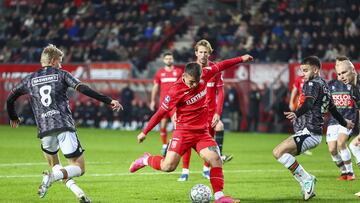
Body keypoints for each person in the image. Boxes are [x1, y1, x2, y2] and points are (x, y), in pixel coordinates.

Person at [129, 54, 254, 203]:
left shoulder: (205, 74)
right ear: (184, 76)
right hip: (183, 133)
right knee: (168, 166)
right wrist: (145, 132)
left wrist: (241, 59)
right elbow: (160, 113)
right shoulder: (175, 91)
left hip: (202, 133)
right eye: (191, 82)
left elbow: (222, 65)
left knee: (216, 159)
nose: (194, 85)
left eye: (196, 82)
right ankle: (146, 159)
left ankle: (220, 197)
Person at [6, 44, 122, 203]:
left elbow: (10, 98)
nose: (61, 65)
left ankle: (79, 194)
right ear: (53, 61)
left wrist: (13, 117)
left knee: (56, 165)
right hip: (63, 125)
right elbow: (83, 89)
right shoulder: (61, 74)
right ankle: (53, 177)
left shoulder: (29, 79)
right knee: (79, 168)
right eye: (60, 61)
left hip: (44, 130)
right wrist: (108, 100)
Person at [272, 56, 354, 201]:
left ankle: (307, 179)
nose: (302, 74)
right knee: (283, 154)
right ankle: (306, 181)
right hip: (313, 134)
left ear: (315, 70)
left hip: (309, 132)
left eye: (305, 70)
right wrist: (345, 123)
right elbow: (333, 110)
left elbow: (309, 104)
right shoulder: (324, 85)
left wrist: (296, 113)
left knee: (278, 152)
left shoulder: (311, 84)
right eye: (301, 70)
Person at [178, 39, 233, 182]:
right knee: (188, 141)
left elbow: (220, 93)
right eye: (200, 52)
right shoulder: (191, 70)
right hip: (194, 113)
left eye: (206, 52)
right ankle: (185, 171)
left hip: (210, 113)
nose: (203, 55)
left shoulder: (215, 70)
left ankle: (206, 169)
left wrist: (217, 113)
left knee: (210, 141)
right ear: (196, 53)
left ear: (210, 54)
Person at [334, 57, 360, 197]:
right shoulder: (353, 90)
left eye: (344, 72)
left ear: (353, 70)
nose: (341, 77)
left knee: (355, 146)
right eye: (339, 74)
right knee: (355, 146)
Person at [150, 52, 183, 156]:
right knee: (163, 125)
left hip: (175, 103)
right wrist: (152, 101)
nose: (169, 60)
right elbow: (155, 87)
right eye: (167, 59)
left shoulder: (178, 72)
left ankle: (173, 143)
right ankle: (164, 145)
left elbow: (183, 86)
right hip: (163, 104)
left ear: (173, 59)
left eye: (170, 58)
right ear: (164, 60)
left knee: (176, 124)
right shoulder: (160, 73)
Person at [326, 76, 357, 181]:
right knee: (332, 150)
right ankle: (344, 171)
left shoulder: (353, 86)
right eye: (339, 73)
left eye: (344, 72)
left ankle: (350, 172)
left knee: (341, 143)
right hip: (333, 121)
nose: (342, 75)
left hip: (348, 120)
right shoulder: (330, 85)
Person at [289, 71, 313, 155]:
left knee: (307, 125)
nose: (304, 72)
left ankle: (300, 144)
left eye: (306, 70)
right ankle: (299, 144)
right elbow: (294, 90)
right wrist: (291, 102)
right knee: (300, 125)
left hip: (310, 106)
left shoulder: (313, 80)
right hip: (301, 105)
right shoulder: (299, 79)